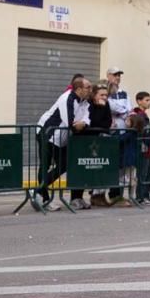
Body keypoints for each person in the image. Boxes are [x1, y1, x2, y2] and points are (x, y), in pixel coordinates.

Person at [37, 77, 91, 210]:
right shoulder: (67, 98)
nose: (90, 90)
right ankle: (43, 199)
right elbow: (69, 122)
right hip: (47, 134)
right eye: (87, 87)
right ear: (78, 89)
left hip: (62, 138)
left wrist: (83, 123)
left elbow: (86, 117)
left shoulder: (84, 101)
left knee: (65, 164)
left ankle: (38, 191)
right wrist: (79, 124)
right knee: (45, 165)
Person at [84, 83, 114, 209]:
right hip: (89, 140)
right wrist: (100, 110)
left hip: (103, 139)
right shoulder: (88, 104)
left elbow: (108, 122)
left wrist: (102, 125)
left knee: (103, 168)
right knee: (90, 168)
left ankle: (100, 195)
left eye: (106, 95)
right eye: (101, 95)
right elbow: (91, 121)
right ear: (94, 95)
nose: (104, 97)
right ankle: (88, 195)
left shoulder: (106, 105)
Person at [131, 92, 150, 205]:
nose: (149, 102)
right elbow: (142, 132)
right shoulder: (138, 115)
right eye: (146, 100)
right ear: (139, 101)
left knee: (148, 172)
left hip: (146, 148)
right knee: (142, 173)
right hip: (142, 148)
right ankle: (141, 197)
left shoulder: (143, 115)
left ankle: (144, 195)